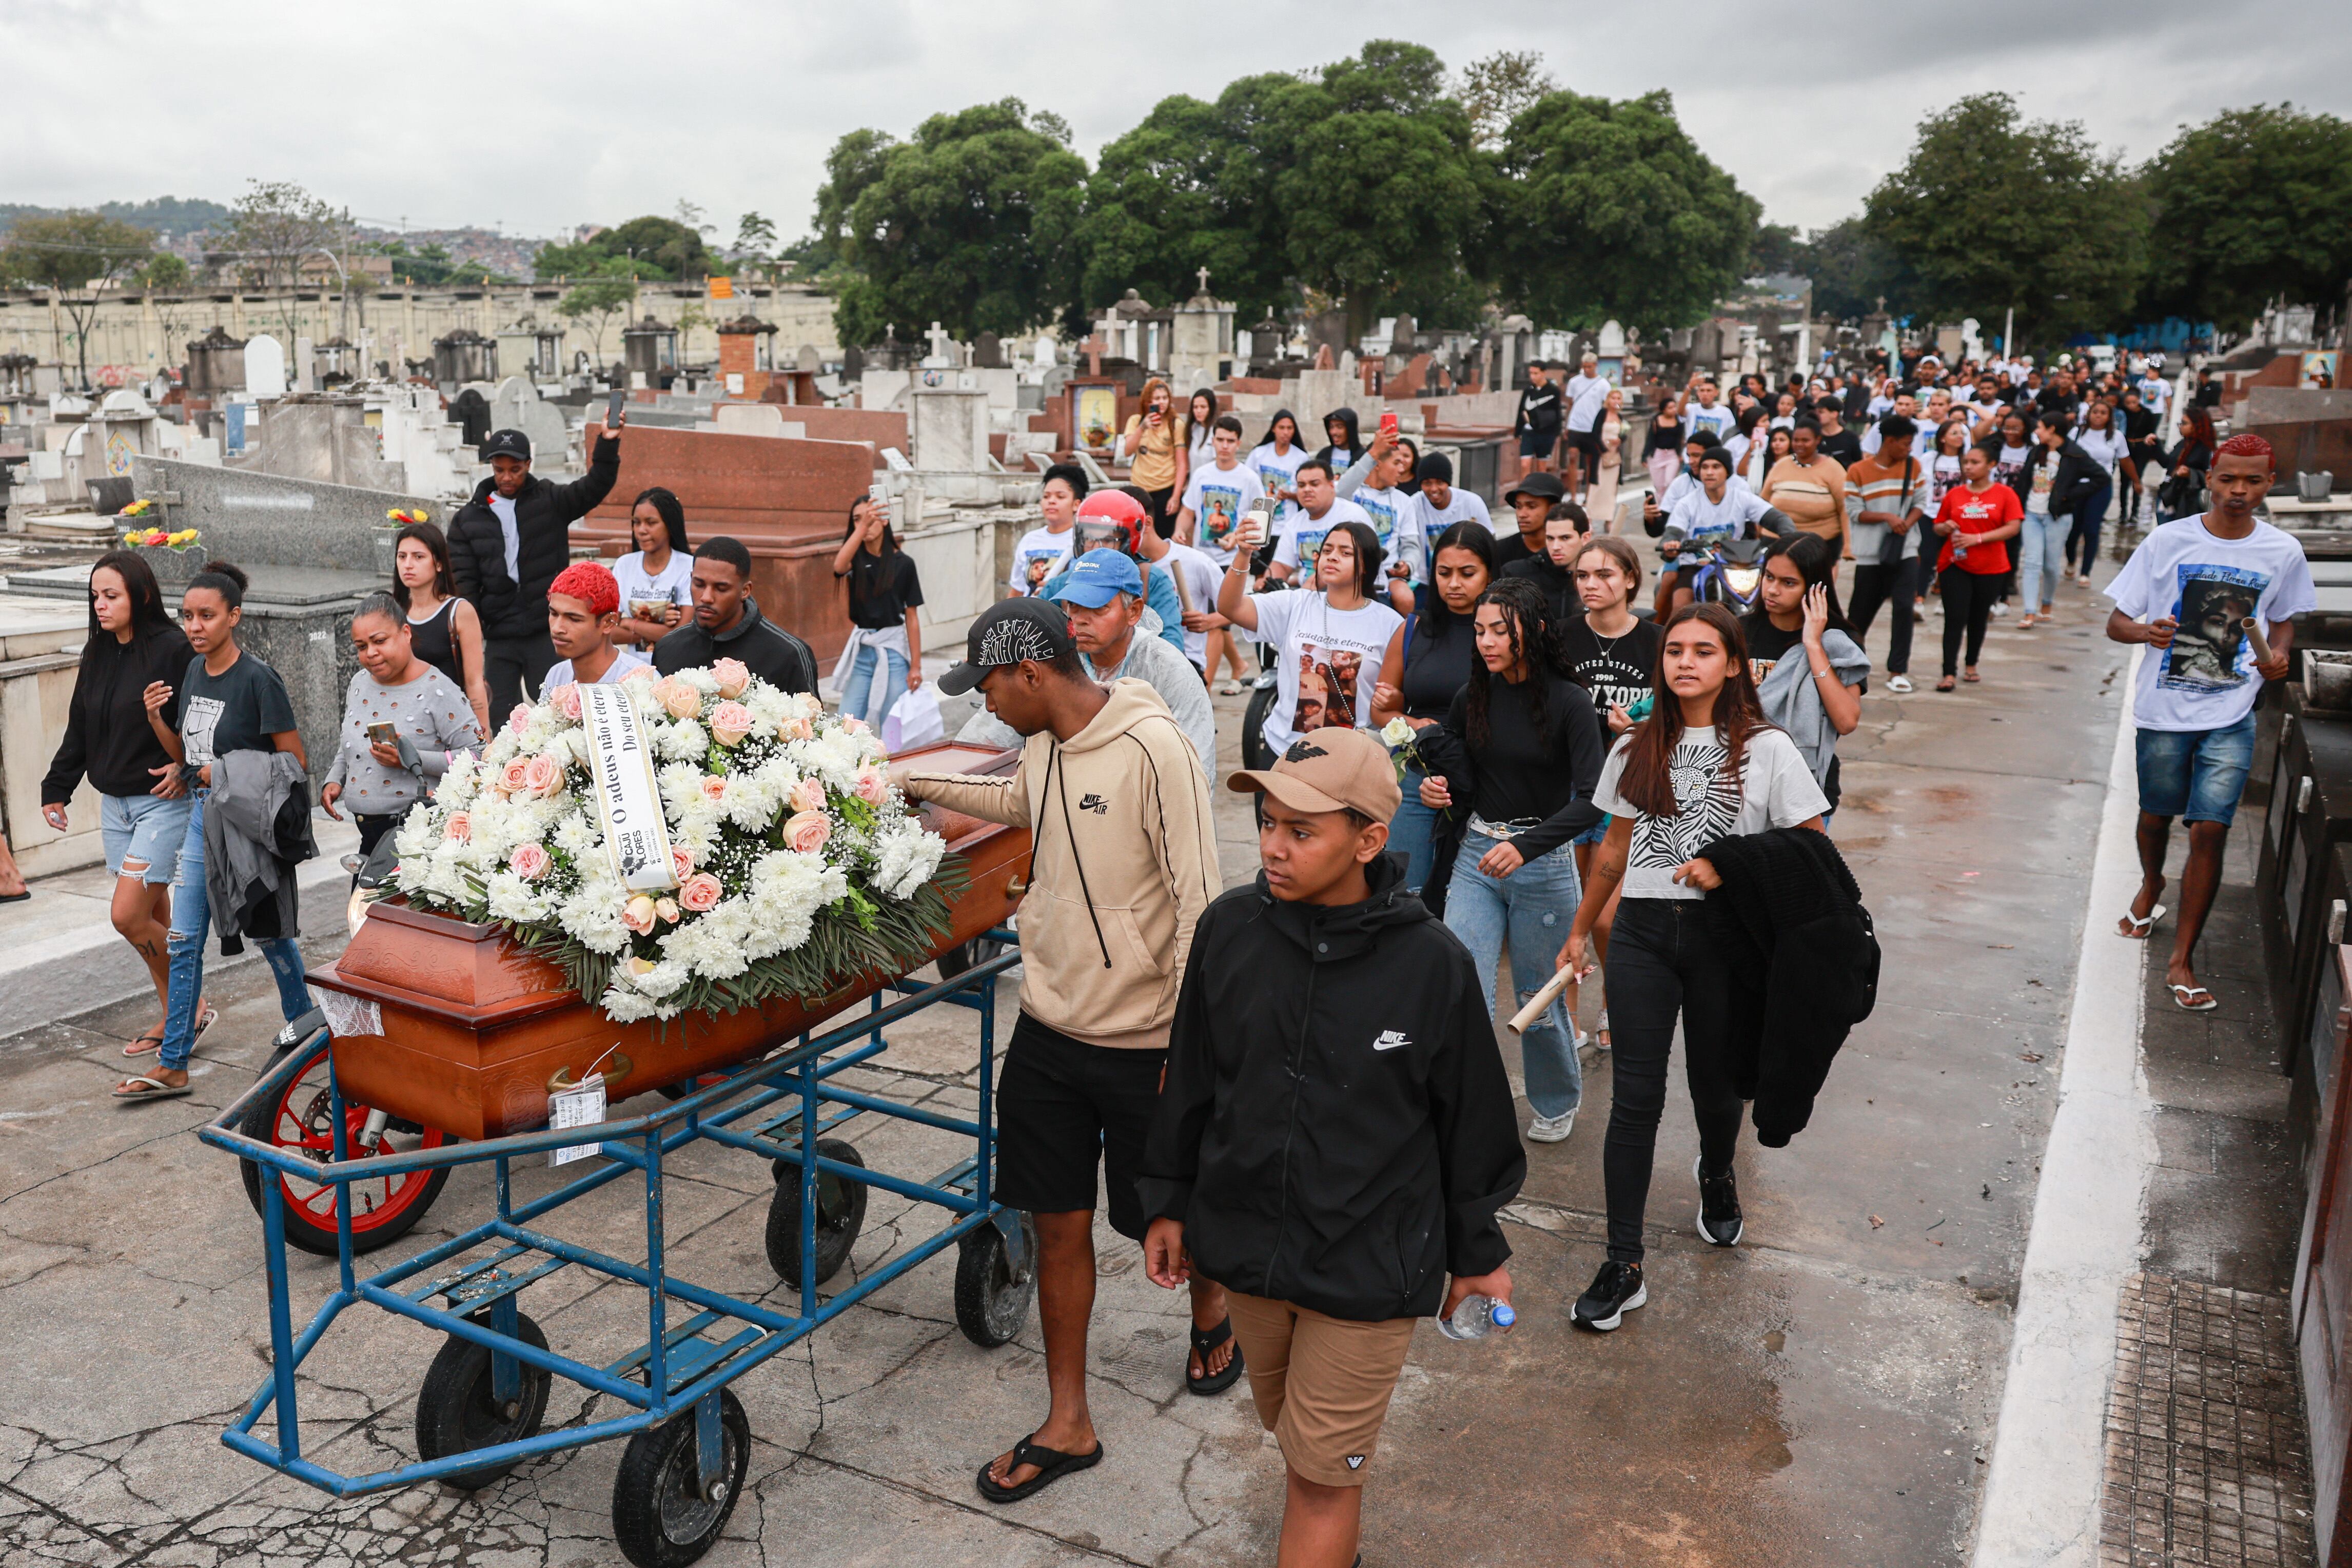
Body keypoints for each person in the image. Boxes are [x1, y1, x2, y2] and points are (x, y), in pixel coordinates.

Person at [1138, 729, 1523, 1568]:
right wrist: (1166, 1199)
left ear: (1369, 840)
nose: (1273, 846)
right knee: (1291, 1438)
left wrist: (1476, 1252)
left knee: (1320, 1479)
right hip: (1246, 1248)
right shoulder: (1229, 929)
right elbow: (1192, 1077)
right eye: (1268, 822)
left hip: (1367, 1265)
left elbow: (1473, 1123)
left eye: (1301, 830)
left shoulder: (1432, 964)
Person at [898, 599, 1224, 1502]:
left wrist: (1189, 1048)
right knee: (1055, 1224)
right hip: (1048, 1031)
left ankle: (1212, 1310)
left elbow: (1201, 905)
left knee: (1174, 1221)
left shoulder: (1156, 750)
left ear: (1032, 673)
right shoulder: (1042, 741)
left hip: (1144, 1041)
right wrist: (918, 782)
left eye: (990, 686)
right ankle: (1068, 1420)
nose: (986, 703)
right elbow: (1020, 801)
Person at [1556, 603, 1831, 1329]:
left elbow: (1813, 846)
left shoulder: (1768, 748)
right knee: (1634, 1102)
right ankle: (1623, 1262)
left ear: (1733, 664)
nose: (1685, 661)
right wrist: (1580, 931)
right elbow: (1614, 850)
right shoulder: (1635, 745)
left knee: (1716, 1089)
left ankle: (1716, 1171)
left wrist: (1731, 864)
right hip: (1643, 935)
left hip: (1726, 940)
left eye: (1704, 650)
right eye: (1674, 649)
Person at [2107, 434, 2312, 1012]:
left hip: (2232, 712)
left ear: (2269, 484)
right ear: (2209, 479)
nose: (2238, 490)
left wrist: (2279, 655)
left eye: (2252, 480)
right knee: (2156, 816)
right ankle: (2153, 881)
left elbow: (2283, 621)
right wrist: (2146, 632)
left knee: (2209, 830)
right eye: (2228, 478)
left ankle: (2183, 958)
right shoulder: (2167, 540)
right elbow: (2117, 623)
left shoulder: (2283, 551)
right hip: (2164, 711)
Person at [119, 561, 313, 1103]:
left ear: (234, 616)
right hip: (200, 819)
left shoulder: (258, 679)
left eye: (206, 615)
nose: (194, 626)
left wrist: (221, 772)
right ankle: (173, 1064)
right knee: (183, 941)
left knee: (270, 935)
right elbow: (189, 758)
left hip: (246, 824)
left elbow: (295, 761)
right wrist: (157, 721)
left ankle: (306, 1034)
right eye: (187, 616)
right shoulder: (194, 672)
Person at [1418, 577, 1604, 1141]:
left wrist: (1526, 846)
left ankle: (1556, 1100)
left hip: (1542, 863)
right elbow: (1456, 768)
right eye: (1480, 631)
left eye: (1500, 630)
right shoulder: (1471, 695)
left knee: (1536, 998)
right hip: (1476, 856)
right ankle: (1464, 1105)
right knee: (1459, 987)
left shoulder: (1571, 702)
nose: (1487, 642)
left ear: (1536, 630)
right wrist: (1436, 787)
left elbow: (1593, 798)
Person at [40, 551, 198, 1057]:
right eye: (95, 597)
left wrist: (186, 766)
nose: (100, 606)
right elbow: (81, 724)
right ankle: (177, 1017)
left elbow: (198, 719)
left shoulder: (172, 649)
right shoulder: (98, 652)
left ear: (141, 595)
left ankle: (189, 1005)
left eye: (111, 595)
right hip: (116, 807)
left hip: (161, 803)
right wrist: (56, 787)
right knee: (154, 914)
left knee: (128, 916)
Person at [1557, 536, 1661, 1050]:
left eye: (1604, 574)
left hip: (1623, 793)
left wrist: (1638, 733)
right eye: (1583, 576)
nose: (1591, 585)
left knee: (1604, 915)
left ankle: (1612, 1005)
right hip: (1566, 790)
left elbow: (1678, 715)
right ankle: (1568, 1016)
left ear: (1630, 579)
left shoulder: (1658, 642)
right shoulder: (1560, 637)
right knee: (1565, 908)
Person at [447, 417, 622, 719]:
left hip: (546, 629)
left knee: (560, 711)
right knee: (499, 715)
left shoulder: (550, 500)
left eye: (515, 470)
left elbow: (596, 486)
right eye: (499, 470)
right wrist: (473, 633)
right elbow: (465, 582)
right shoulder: (469, 519)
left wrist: (608, 442)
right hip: (499, 633)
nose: (506, 477)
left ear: (528, 464)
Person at [1369, 521, 1496, 894]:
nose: (1454, 584)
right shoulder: (1414, 628)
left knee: (1472, 893)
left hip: (1487, 779)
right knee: (1404, 891)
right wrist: (1414, 723)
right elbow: (1381, 713)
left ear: (1490, 574)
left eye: (1467, 573)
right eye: (1444, 573)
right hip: (1418, 772)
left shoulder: (1505, 632)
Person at [1221, 520, 1406, 758]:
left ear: (1366, 566)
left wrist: (1395, 699)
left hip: (1352, 757)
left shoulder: (1390, 624)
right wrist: (1244, 554)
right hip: (1284, 752)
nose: (1333, 557)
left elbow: (1397, 695)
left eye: (1346, 553)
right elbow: (1230, 607)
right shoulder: (1294, 604)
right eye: (1327, 550)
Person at [320, 593, 482, 863]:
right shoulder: (359, 683)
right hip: (368, 836)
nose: (371, 653)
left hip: (419, 839)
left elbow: (478, 755)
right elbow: (351, 740)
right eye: (361, 646)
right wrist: (335, 779)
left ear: (406, 633)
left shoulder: (438, 689)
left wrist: (410, 759)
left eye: (380, 641)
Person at [1743, 536, 1867, 821]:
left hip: (1806, 791)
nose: (1772, 590)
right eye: (1769, 577)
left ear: (1814, 588)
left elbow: (1846, 721)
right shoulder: (1739, 632)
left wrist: (1813, 645)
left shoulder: (1839, 642)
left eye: (1788, 583)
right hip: (1742, 783)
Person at [652, 537, 818, 693]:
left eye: (721, 588)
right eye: (699, 584)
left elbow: (811, 714)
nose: (706, 597)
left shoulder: (788, 654)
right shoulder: (668, 648)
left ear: (745, 591)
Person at [1931, 446, 2026, 690]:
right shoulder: (1955, 494)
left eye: (1975, 462)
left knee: (1978, 617)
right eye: (1966, 462)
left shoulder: (2005, 494)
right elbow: (1938, 525)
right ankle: (1949, 673)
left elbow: (2013, 527)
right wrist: (1945, 527)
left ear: (1991, 465)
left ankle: (1971, 664)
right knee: (1955, 618)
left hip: (1991, 566)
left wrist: (1978, 539)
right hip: (1955, 564)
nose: (1969, 467)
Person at [1845, 416, 1927, 693]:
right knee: (1859, 615)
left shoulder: (1913, 466)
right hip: (1870, 555)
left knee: (1904, 607)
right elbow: (1854, 512)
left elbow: (1921, 503)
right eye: (1905, 444)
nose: (1909, 449)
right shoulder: (1858, 471)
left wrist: (1906, 523)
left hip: (1905, 550)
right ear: (1889, 442)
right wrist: (1887, 517)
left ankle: (1897, 670)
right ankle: (1851, 667)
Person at [1659, 448, 1795, 615]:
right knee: (1681, 606)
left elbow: (1777, 518)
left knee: (1764, 604)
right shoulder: (1687, 504)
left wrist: (1790, 538)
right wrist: (1671, 544)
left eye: (1716, 467)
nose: (1709, 472)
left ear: (1728, 472)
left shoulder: (1742, 498)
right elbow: (1673, 531)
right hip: (1696, 565)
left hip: (1735, 565)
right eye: (1705, 467)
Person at [830, 495, 924, 731]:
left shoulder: (904, 563)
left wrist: (916, 666)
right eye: (857, 520)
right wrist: (862, 528)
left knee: (892, 723)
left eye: (871, 519)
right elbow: (839, 566)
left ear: (884, 520)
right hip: (862, 650)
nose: (865, 524)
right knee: (846, 723)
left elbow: (912, 617)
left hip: (893, 650)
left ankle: (892, 757)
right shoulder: (855, 559)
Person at [390, 521, 491, 738]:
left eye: (418, 557)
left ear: (438, 564)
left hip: (451, 725)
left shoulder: (459, 611)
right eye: (402, 556)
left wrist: (483, 738)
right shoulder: (393, 612)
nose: (408, 565)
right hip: (405, 724)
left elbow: (474, 681)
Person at [2013, 412, 2104, 628]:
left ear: (2052, 429)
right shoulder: (2037, 452)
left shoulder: (2074, 454)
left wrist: (2069, 495)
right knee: (2032, 563)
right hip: (2032, 514)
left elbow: (2101, 477)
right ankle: (2029, 612)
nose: (2037, 432)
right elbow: (2024, 481)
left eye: (2040, 428)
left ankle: (2047, 604)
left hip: (2058, 517)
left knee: (2051, 566)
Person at [541, 560, 649, 689]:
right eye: (554, 614)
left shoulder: (641, 683)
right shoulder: (556, 676)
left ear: (608, 623)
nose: (557, 628)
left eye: (574, 619)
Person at [611, 486, 693, 654]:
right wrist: (658, 632)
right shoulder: (624, 565)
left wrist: (629, 623)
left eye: (651, 523)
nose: (641, 530)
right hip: (634, 667)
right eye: (636, 522)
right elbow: (607, 632)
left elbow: (680, 635)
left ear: (670, 525)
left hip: (675, 665)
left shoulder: (689, 567)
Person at [1267, 460, 1374, 585]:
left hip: (1350, 590)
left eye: (1314, 484)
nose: (1307, 490)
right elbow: (1282, 565)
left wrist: (1315, 585)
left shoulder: (1353, 516)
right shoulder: (1294, 523)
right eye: (1301, 485)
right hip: (1306, 592)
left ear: (1331, 485)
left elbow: (1361, 565)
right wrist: (1267, 583)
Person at [2066, 398, 2131, 586]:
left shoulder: (2116, 436)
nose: (2098, 416)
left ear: (2109, 417)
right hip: (2077, 486)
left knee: (2092, 529)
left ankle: (2085, 572)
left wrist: (2136, 481)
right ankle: (2071, 561)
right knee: (2073, 529)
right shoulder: (2076, 433)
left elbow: (2125, 460)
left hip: (2101, 487)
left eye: (2103, 413)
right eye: (2095, 412)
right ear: (2089, 414)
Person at [1760, 420, 1849, 551]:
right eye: (1796, 440)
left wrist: (1848, 546)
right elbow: (1763, 504)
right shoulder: (1781, 465)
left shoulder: (1833, 468)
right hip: (1776, 539)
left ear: (1818, 440)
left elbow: (1845, 508)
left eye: (1805, 440)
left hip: (1818, 543)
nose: (1799, 444)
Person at [1501, 500, 1588, 628]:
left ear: (1585, 538)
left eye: (1565, 538)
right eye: (1550, 538)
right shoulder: (1517, 574)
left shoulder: (1596, 580)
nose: (1556, 547)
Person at [1119, 378, 1186, 537]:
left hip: (1165, 488)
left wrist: (1176, 497)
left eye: (1165, 398)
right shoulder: (1136, 421)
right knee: (1137, 534)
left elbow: (1182, 464)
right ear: (1148, 401)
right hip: (1140, 487)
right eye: (1157, 398)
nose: (1162, 402)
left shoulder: (1175, 424)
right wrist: (1142, 428)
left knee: (1163, 536)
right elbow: (1128, 451)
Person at [1012, 463, 1087, 597]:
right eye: (1046, 496)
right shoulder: (1029, 540)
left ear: (1077, 504)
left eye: (1060, 497)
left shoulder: (1085, 542)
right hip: (1030, 609)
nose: (1051, 501)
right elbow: (1017, 591)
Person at [1246, 410, 1310, 530]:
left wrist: (1290, 495)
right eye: (1281, 428)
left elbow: (1308, 491)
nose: (1286, 432)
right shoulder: (1258, 454)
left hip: (1286, 525)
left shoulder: (1301, 458)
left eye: (1290, 428)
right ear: (1273, 429)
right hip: (1259, 522)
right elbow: (1247, 483)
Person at [1562, 351, 1611, 498]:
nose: (1587, 370)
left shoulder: (1603, 385)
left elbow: (1606, 407)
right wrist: (1567, 424)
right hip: (1576, 425)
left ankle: (1589, 495)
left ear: (1595, 366)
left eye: (1589, 367)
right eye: (1584, 367)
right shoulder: (1575, 382)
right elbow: (1570, 404)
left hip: (1592, 428)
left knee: (1591, 462)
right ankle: (1573, 495)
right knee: (1572, 457)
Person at [1493, 472, 1564, 571]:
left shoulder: (1568, 553)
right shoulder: (1499, 551)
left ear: (1553, 509)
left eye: (1532, 507)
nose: (1522, 514)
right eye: (1519, 507)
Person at [1413, 450, 1492, 539]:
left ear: (1448, 483)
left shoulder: (1473, 503)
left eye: (1440, 482)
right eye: (1427, 483)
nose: (1434, 489)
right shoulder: (1413, 506)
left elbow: (1489, 540)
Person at [1513, 360, 1562, 479]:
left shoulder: (1553, 391)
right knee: (1525, 464)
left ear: (1543, 373)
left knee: (1541, 467)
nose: (1533, 377)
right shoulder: (1528, 391)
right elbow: (1521, 410)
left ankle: (1539, 488)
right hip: (1529, 432)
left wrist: (1557, 432)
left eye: (1536, 373)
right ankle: (1525, 488)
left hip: (1546, 433)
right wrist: (1517, 432)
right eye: (1531, 373)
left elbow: (1557, 412)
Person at [1585, 388, 1626, 523]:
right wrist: (1603, 449)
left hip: (1614, 455)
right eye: (1613, 398)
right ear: (1608, 400)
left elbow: (1624, 434)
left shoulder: (1620, 417)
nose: (1616, 401)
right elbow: (1595, 433)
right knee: (1597, 486)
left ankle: (1608, 519)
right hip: (1601, 453)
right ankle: (1590, 518)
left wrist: (1620, 440)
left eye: (1618, 398)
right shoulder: (1603, 413)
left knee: (1611, 488)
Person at [1644, 393, 1688, 498]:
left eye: (1674, 407)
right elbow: (1650, 439)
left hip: (1672, 454)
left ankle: (1669, 503)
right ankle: (1660, 505)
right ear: (1663, 410)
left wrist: (1680, 453)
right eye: (1670, 408)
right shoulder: (1656, 420)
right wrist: (1644, 456)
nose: (1673, 410)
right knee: (1659, 486)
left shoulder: (1679, 421)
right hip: (1658, 453)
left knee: (1669, 482)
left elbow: (1681, 439)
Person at [1812, 398, 1863, 467]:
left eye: (1821, 412)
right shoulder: (1813, 436)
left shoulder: (1851, 438)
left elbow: (1858, 464)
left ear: (1834, 414)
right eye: (1816, 412)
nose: (1817, 415)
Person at [1315, 408, 1363, 482]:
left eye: (1340, 427)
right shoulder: (1323, 455)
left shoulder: (1363, 456)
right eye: (1331, 427)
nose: (1334, 432)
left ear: (1350, 429)